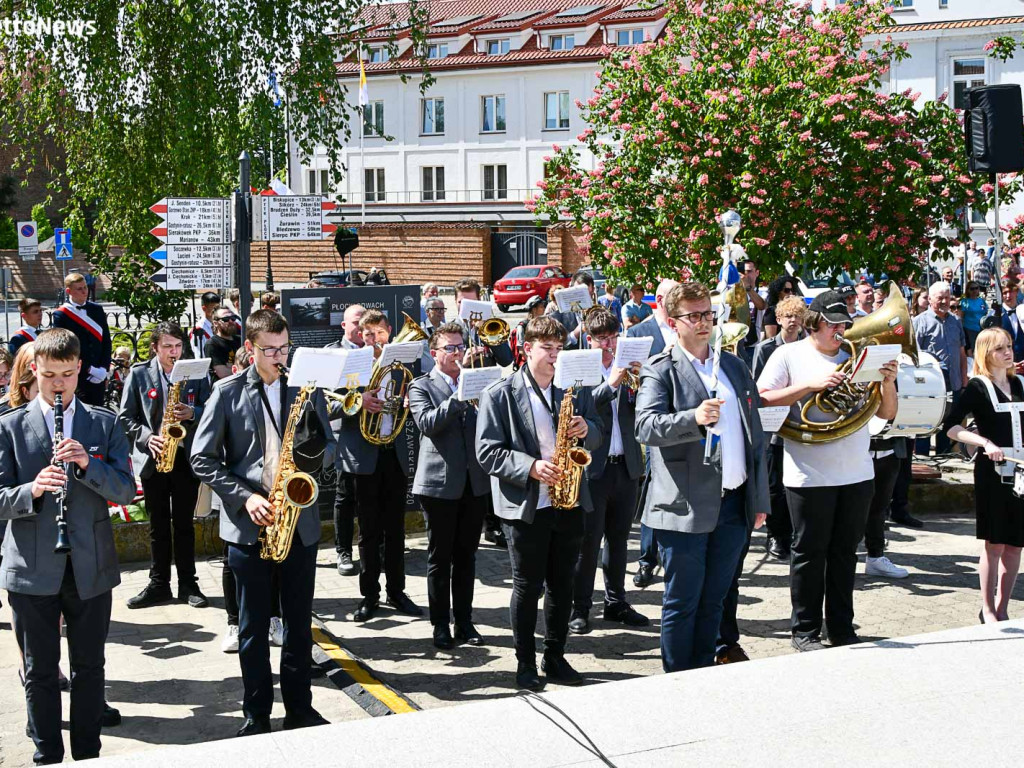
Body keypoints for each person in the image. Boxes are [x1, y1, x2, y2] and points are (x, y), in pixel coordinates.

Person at [191, 309, 335, 736]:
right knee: (253, 628)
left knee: (298, 622)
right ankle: (256, 713)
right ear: (249, 350)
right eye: (270, 350)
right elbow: (201, 458)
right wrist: (245, 496)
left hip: (298, 522)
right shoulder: (227, 392)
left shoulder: (305, 390)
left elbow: (325, 447)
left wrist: (309, 457)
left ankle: (299, 709)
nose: (279, 357)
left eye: (284, 348)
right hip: (249, 524)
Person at [0, 329, 135, 764]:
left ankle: (88, 753)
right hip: (31, 567)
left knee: (90, 667)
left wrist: (87, 464)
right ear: (33, 370)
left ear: (80, 370)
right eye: (50, 374)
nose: (59, 384)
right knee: (40, 671)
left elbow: (126, 491)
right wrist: (32, 490)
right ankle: (47, 753)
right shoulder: (8, 427)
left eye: (68, 374)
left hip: (90, 564)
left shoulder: (104, 422)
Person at [634, 282, 768, 672]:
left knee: (716, 598)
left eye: (708, 313)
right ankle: (678, 677)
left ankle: (703, 672)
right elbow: (646, 426)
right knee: (683, 600)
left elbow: (754, 437)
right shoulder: (661, 369)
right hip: (685, 506)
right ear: (674, 323)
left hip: (733, 502)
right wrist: (692, 418)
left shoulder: (732, 366)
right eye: (693, 316)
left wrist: (759, 499)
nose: (704, 322)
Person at [758, 290, 898, 651]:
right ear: (814, 322)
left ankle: (841, 628)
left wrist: (886, 381)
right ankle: (804, 631)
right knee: (808, 553)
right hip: (808, 472)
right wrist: (811, 386)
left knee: (845, 553)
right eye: (833, 323)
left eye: (844, 323)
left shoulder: (856, 357)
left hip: (856, 471)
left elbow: (885, 414)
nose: (841, 329)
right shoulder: (787, 354)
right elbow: (762, 398)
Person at [476, 315, 602, 690]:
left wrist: (587, 430)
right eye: (547, 349)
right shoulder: (499, 394)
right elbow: (487, 451)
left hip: (568, 500)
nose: (554, 357)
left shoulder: (573, 390)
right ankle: (525, 663)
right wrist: (531, 466)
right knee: (527, 586)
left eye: (559, 349)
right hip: (528, 505)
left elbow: (598, 433)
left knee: (564, 583)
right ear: (527, 349)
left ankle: (555, 655)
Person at [119, 322, 212, 610]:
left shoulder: (195, 371)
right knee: (158, 526)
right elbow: (125, 417)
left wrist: (193, 412)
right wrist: (149, 438)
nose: (174, 352)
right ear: (155, 348)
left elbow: (211, 407)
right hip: (154, 458)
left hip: (184, 458)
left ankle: (188, 583)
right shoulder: (138, 374)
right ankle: (159, 583)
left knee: (184, 523)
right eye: (168, 347)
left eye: (178, 346)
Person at [409, 322, 490, 649]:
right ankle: (440, 623)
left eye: (460, 347)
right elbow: (428, 423)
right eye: (450, 348)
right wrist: (460, 395)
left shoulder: (476, 381)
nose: (457, 353)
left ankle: (465, 622)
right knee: (439, 558)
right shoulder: (421, 387)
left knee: (467, 557)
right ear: (434, 353)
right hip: (439, 484)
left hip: (475, 481)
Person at [337, 309, 421, 621]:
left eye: (380, 333)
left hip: (393, 453)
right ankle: (369, 595)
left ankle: (397, 591)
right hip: (364, 457)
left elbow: (419, 394)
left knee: (396, 530)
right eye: (368, 334)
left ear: (389, 331)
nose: (374, 339)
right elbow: (330, 404)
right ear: (360, 335)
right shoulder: (352, 364)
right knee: (369, 531)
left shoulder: (402, 365)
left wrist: (412, 403)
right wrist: (359, 401)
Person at [569, 308, 648, 635]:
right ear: (590, 339)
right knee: (588, 542)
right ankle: (581, 608)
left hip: (626, 465)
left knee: (619, 541)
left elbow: (642, 409)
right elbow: (581, 413)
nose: (609, 344)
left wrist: (640, 382)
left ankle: (616, 602)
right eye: (602, 338)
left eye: (613, 337)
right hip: (593, 468)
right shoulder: (582, 372)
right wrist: (612, 384)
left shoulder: (625, 368)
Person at [945, 327, 1024, 623]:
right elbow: (951, 428)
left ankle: (1004, 607)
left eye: (1009, 346)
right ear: (985, 354)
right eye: (1000, 348)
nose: (1008, 352)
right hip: (992, 473)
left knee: (1016, 543)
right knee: (994, 543)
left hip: (1021, 472)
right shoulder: (977, 388)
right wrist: (985, 443)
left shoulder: (1020, 384)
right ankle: (987, 609)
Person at [626, 278, 680, 588]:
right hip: (656, 421)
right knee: (653, 490)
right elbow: (635, 376)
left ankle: (672, 554)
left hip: (686, 421)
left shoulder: (687, 328)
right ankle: (646, 559)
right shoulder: (638, 332)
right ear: (660, 299)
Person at [750, 295, 807, 562]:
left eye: (798, 316)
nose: (793, 321)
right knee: (774, 484)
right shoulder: (765, 349)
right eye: (788, 316)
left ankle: (796, 533)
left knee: (796, 483)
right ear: (780, 319)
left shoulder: (809, 347)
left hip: (800, 422)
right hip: (774, 425)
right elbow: (758, 389)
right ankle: (776, 535)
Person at [325, 304, 366, 577]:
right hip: (346, 435)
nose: (361, 327)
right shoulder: (333, 353)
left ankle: (372, 550)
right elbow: (327, 403)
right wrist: (360, 402)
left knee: (371, 500)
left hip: (374, 435)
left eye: (365, 322)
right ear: (343, 325)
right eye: (356, 322)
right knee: (345, 498)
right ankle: (343, 551)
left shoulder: (375, 351)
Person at [914, 281, 968, 456]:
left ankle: (944, 457)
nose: (944, 301)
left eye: (947, 297)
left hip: (953, 382)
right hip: (930, 384)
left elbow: (961, 352)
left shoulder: (956, 321)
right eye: (940, 298)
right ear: (930, 299)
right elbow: (913, 355)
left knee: (949, 422)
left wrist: (964, 378)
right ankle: (922, 460)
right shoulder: (919, 322)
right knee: (925, 423)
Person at [51, 273, 112, 407]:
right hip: (77, 374)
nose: (85, 291)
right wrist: (89, 369)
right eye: (79, 289)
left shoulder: (97, 309)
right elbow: (63, 348)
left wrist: (104, 369)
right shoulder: (61, 314)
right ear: (69, 291)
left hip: (99, 374)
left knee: (99, 415)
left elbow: (106, 341)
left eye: (85, 287)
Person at [455, 278, 513, 368]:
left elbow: (506, 360)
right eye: (461, 302)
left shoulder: (491, 326)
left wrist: (488, 332)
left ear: (479, 301)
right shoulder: (449, 329)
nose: (465, 307)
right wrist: (463, 364)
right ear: (455, 302)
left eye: (471, 302)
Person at [512, 295, 546, 369]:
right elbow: (521, 350)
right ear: (534, 309)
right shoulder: (522, 326)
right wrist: (534, 364)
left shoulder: (544, 324)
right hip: (528, 364)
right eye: (541, 307)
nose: (544, 309)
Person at [207, 308, 242, 381]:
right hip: (226, 389)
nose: (230, 321)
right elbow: (223, 373)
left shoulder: (240, 340)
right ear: (216, 323)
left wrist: (230, 367)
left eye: (233, 318)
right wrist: (242, 368)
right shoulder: (212, 343)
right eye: (226, 319)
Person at [999, 280, 1024, 366]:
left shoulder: (1022, 311)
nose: (1008, 296)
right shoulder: (996, 315)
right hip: (1005, 365)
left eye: (1011, 292)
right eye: (1005, 293)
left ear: (1016, 292)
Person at [190, 291, 221, 358]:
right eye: (213, 308)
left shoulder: (220, 325)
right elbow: (198, 355)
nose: (216, 311)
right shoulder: (199, 329)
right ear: (204, 308)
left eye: (218, 308)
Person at [959, 281, 987, 352]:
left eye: (976, 288)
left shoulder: (981, 301)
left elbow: (986, 313)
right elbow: (961, 317)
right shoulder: (964, 302)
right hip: (969, 330)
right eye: (972, 289)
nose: (974, 290)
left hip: (982, 329)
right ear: (968, 290)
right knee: (973, 350)